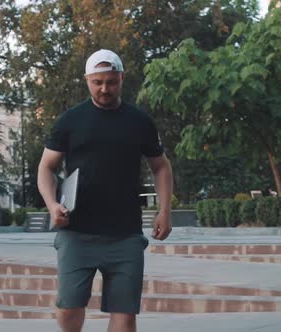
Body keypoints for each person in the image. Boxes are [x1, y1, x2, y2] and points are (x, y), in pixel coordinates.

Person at [37, 49, 174, 332]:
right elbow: (46, 167)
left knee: (125, 316)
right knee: (69, 307)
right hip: (76, 231)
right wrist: (52, 204)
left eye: (111, 81)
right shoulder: (70, 121)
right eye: (97, 82)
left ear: (121, 78)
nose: (104, 88)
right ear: (87, 80)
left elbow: (161, 166)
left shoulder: (139, 121)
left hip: (125, 235)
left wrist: (164, 211)